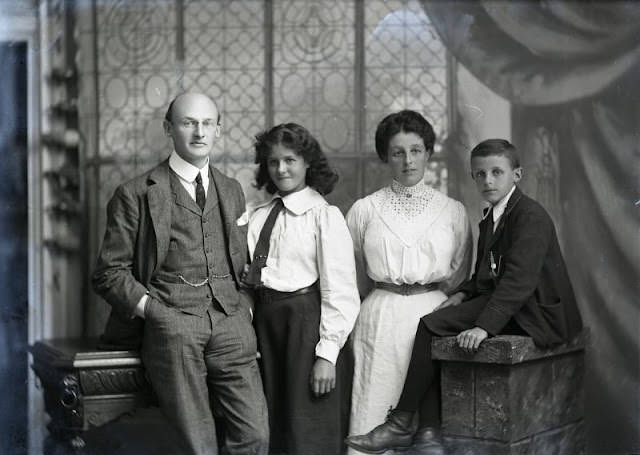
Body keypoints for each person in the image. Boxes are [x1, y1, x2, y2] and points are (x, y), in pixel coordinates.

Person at [345, 139, 584, 455]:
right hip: (515, 303)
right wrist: (460, 294)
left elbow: (517, 283)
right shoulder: (492, 216)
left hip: (537, 313)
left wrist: (484, 327)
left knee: (431, 326)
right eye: (480, 174)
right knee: (434, 322)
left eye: (497, 172)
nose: (488, 181)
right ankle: (425, 431)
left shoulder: (529, 216)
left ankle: (403, 423)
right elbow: (485, 276)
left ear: (517, 174)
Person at [92, 92, 269, 455]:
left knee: (255, 437)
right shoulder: (135, 193)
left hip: (231, 323)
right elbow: (109, 273)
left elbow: (244, 263)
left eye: (207, 123)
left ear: (218, 130)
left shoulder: (233, 190)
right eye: (188, 122)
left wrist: (245, 308)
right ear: (168, 128)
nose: (199, 132)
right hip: (173, 326)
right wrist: (156, 315)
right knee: (197, 445)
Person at [345, 110, 473, 453]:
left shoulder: (453, 211)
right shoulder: (364, 210)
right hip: (379, 318)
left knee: (427, 430)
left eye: (416, 150)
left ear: (429, 153)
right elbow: (355, 271)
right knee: (374, 410)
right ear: (386, 156)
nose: (407, 160)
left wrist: (438, 302)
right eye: (398, 152)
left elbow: (461, 273)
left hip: (433, 315)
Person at [243, 123, 360, 455]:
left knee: (309, 428)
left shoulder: (324, 216)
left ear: (308, 162)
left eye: (290, 160)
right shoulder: (258, 216)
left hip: (306, 330)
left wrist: (327, 355)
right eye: (273, 162)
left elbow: (340, 290)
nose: (281, 169)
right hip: (267, 329)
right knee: (274, 426)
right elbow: (248, 280)